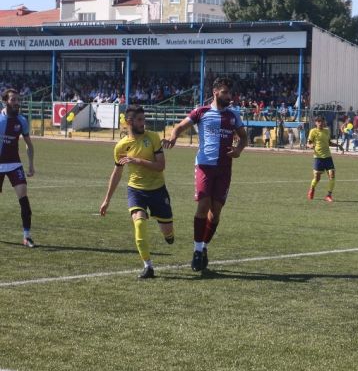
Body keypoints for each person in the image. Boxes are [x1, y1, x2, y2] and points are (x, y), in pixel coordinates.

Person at [163, 78, 248, 272]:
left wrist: (238, 150)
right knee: (203, 206)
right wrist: (173, 137)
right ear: (216, 91)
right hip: (204, 165)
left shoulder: (233, 115)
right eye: (225, 92)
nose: (229, 96)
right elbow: (179, 126)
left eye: (230, 93)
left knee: (215, 212)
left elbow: (243, 137)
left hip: (225, 168)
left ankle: (204, 247)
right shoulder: (201, 112)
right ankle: (197, 250)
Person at [100, 105, 174, 279]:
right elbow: (117, 173)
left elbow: (160, 166)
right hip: (136, 190)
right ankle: (148, 266)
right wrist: (107, 200)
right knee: (139, 223)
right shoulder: (120, 147)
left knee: (168, 234)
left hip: (157, 190)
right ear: (129, 122)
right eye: (140, 120)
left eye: (144, 119)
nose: (143, 123)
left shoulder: (153, 138)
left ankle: (169, 235)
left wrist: (137, 160)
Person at [0, 89, 35, 247]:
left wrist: (31, 164)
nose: (16, 103)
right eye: (13, 100)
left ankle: (26, 236)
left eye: (17, 100)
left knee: (24, 200)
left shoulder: (22, 120)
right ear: (5, 101)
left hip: (15, 164)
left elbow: (29, 145)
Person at [307, 115, 341, 202]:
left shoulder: (327, 131)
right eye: (319, 122)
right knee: (317, 178)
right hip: (318, 157)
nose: (320, 123)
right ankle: (312, 189)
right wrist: (311, 146)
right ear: (316, 123)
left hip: (328, 157)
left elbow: (329, 142)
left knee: (332, 175)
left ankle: (328, 195)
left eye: (322, 121)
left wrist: (338, 145)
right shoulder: (313, 131)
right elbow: (308, 143)